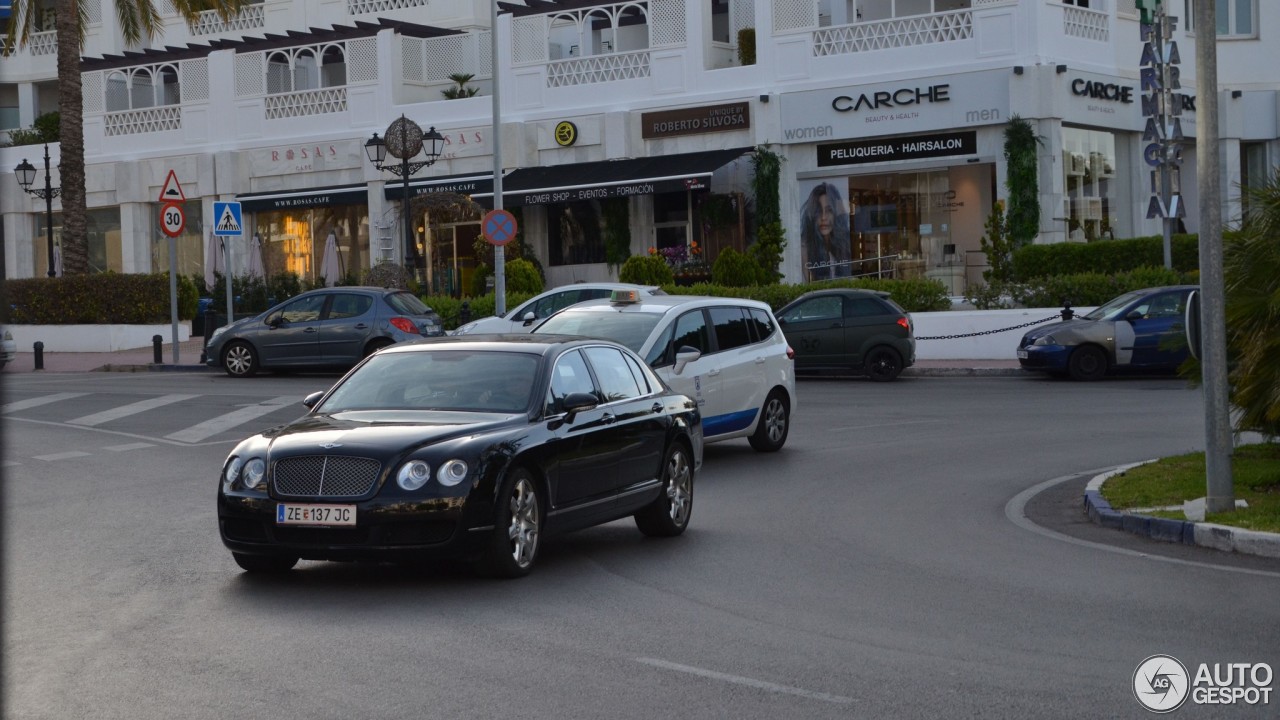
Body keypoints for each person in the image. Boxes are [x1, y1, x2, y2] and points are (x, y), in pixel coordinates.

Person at [800, 182, 852, 280]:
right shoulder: (805, 247)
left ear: (836, 214)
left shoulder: (843, 245)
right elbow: (810, 284)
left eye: (829, 210)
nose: (823, 217)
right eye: (819, 211)